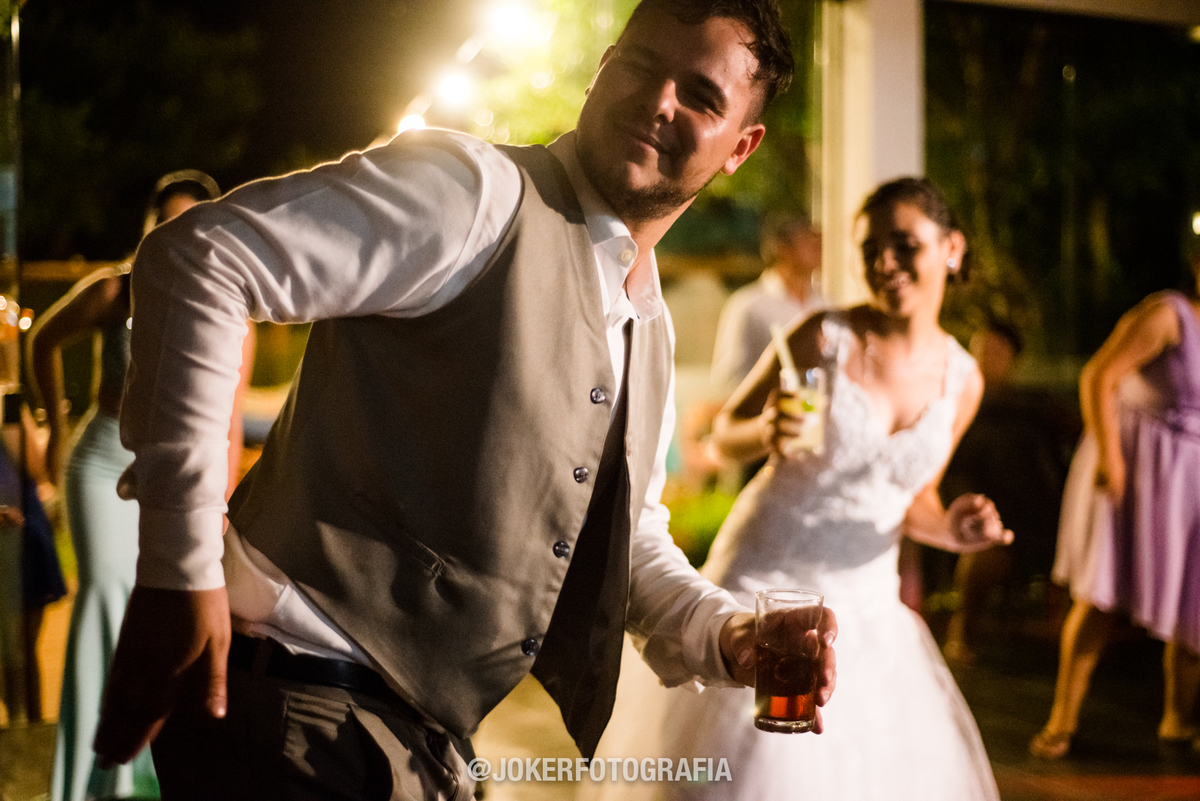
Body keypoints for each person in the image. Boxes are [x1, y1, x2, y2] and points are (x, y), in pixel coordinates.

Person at [90, 3, 838, 799]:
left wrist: (727, 632)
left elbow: (626, 540)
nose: (659, 100)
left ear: (741, 147)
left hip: (418, 742)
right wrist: (179, 568)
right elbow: (200, 257)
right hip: (289, 707)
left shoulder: (647, 328)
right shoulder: (475, 193)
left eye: (701, 95)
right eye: (642, 65)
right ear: (602, 68)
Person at [585, 177, 1010, 801]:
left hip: (869, 602)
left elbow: (912, 497)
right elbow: (723, 431)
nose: (885, 264)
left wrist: (952, 527)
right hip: (770, 570)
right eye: (870, 250)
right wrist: (765, 429)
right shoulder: (824, 335)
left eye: (904, 245)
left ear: (952, 248)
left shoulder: (963, 379)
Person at [28, 170, 249, 801]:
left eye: (190, 222)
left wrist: (220, 502)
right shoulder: (114, 290)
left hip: (172, 480)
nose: (175, 233)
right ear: (149, 227)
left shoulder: (227, 304)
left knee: (160, 603)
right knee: (104, 591)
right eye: (165, 222)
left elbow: (230, 421)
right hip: (101, 464)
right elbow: (43, 340)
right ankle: (93, 773)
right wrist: (57, 423)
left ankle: (146, 773)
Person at [1030, 261, 1200, 760]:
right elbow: (1099, 376)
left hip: (1188, 477)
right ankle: (1062, 720)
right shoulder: (1167, 314)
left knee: (1194, 597)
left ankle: (1178, 721)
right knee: (1103, 591)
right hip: (1135, 461)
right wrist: (1111, 459)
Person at [940, 320, 1076, 665]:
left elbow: (1077, 430)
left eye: (997, 351)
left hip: (1041, 507)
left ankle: (1069, 639)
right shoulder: (955, 404)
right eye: (981, 350)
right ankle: (962, 632)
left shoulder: (1035, 404)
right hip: (979, 504)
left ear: (1013, 359)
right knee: (985, 545)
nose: (988, 358)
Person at [710, 210, 824, 398]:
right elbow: (729, 379)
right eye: (808, 239)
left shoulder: (826, 303)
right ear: (783, 248)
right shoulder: (748, 306)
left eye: (818, 239)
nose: (818, 246)